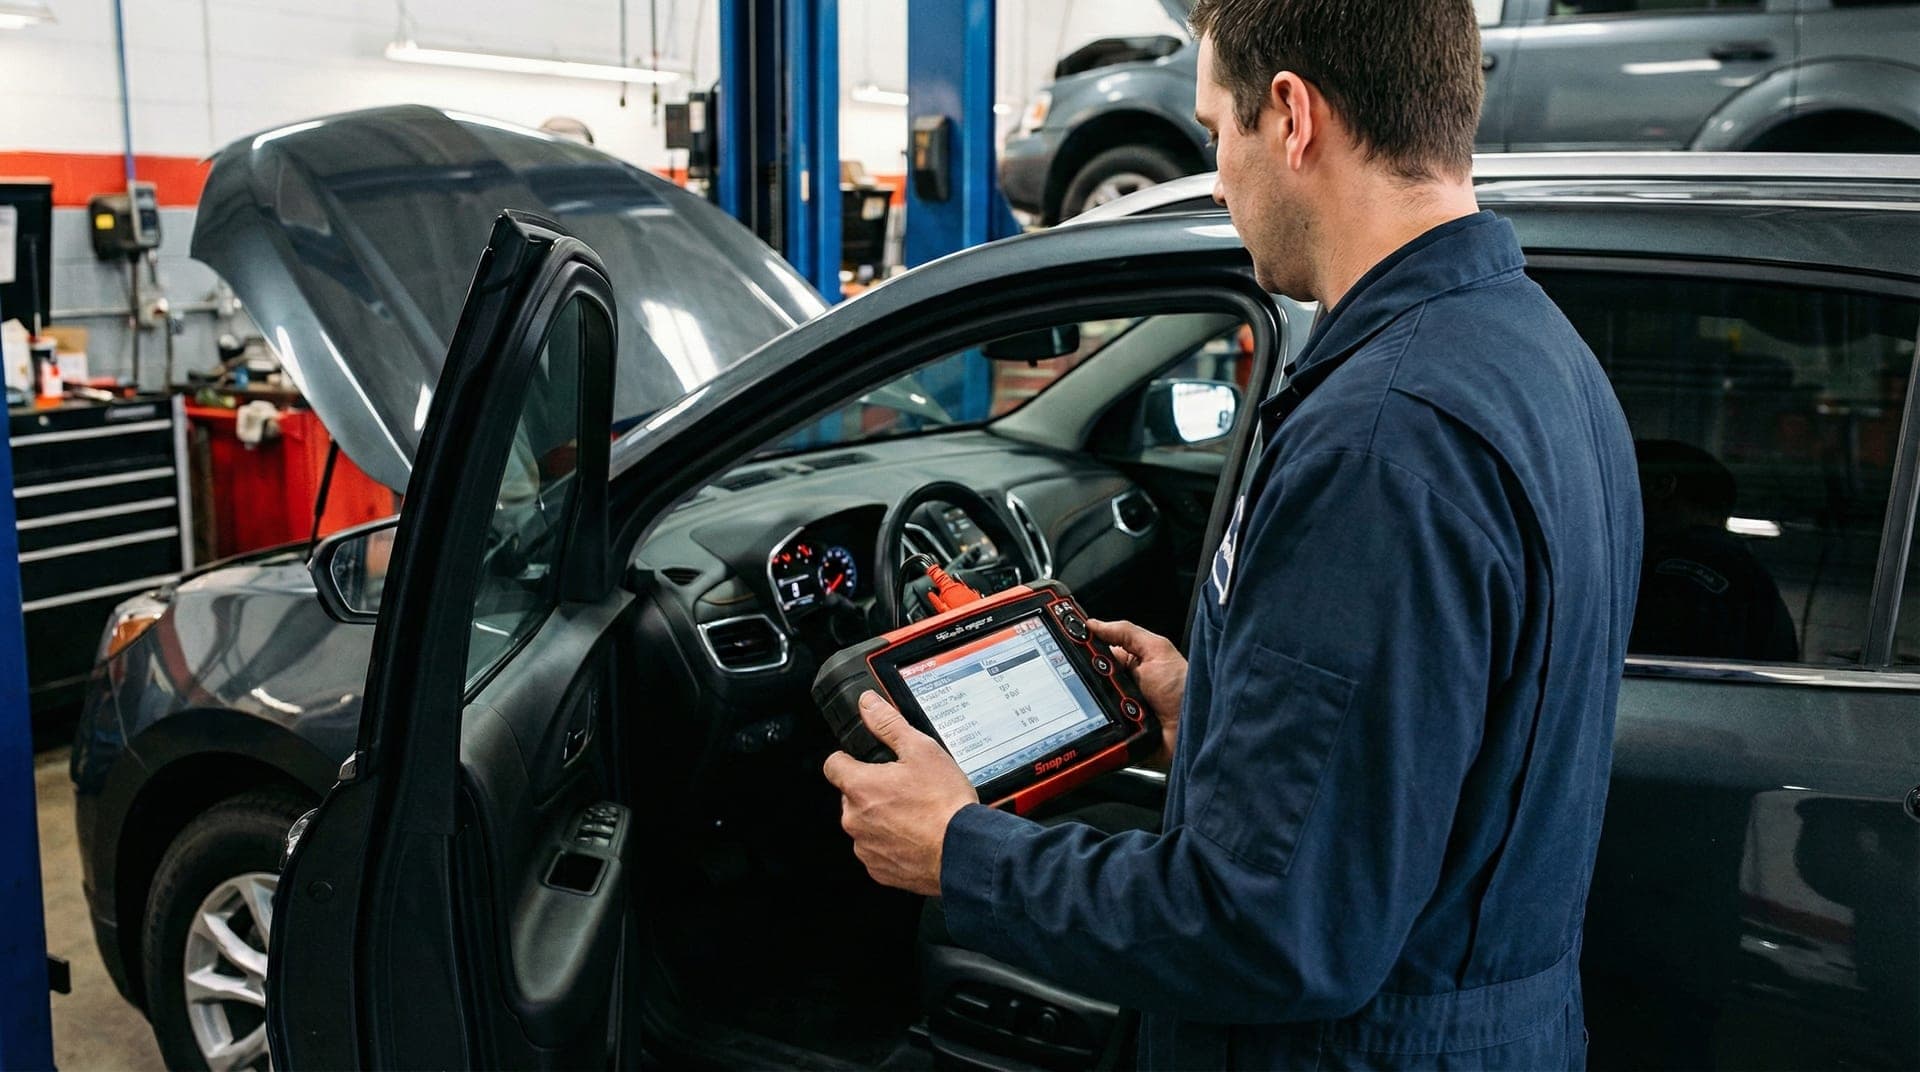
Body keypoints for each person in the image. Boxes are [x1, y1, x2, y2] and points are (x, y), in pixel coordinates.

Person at [822, 0, 1642, 1066]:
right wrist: (1212, 714)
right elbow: (1434, 756)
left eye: (1217, 130)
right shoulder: (1541, 356)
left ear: (1292, 117)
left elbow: (1269, 924)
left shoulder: (1382, 443)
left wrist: (959, 852)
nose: (1216, 180)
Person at [1630, 439, 1798, 662]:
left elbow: (1657, 665)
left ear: (1661, 486)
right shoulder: (1736, 566)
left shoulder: (1685, 574)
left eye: (1625, 482)